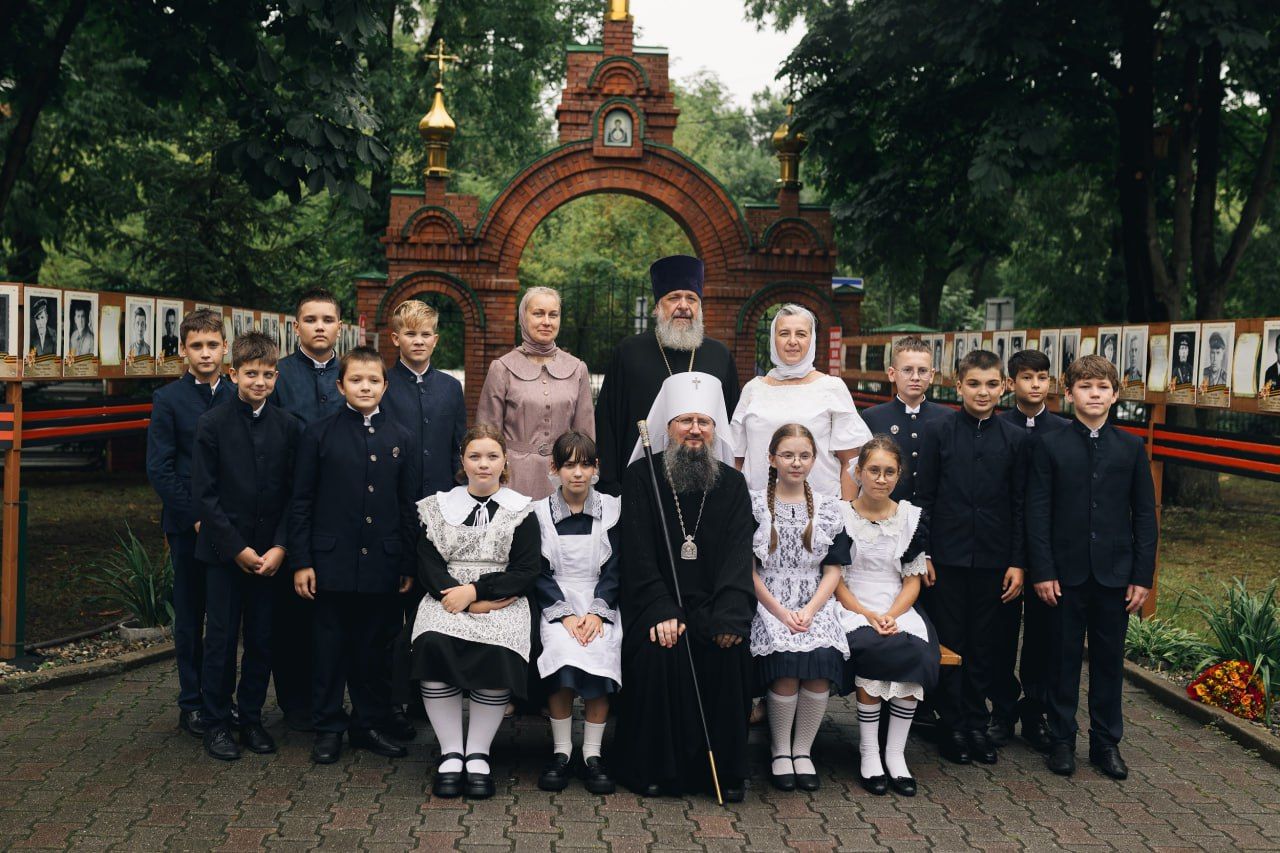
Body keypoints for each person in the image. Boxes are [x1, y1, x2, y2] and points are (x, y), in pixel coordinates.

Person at [613, 371, 755, 802]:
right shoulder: (641, 477)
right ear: (668, 426)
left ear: (715, 429)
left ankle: (724, 772)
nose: (695, 429)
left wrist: (729, 613)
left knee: (730, 651)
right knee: (659, 650)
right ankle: (656, 769)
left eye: (704, 422)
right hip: (658, 601)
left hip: (714, 603)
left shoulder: (733, 484)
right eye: (685, 421)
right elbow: (636, 553)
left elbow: (738, 556)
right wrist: (659, 608)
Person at [1027, 355, 1157, 780]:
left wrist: (1142, 576)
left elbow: (1145, 516)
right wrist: (1043, 570)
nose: (1094, 394)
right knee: (1062, 659)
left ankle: (1106, 743)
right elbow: (1038, 512)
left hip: (1115, 575)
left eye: (1103, 387)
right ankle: (1062, 740)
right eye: (1085, 387)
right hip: (1064, 575)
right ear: (1069, 393)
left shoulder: (1131, 447)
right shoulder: (1050, 445)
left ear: (1115, 395)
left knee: (1109, 661)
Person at [288, 347, 418, 765]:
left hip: (382, 563)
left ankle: (367, 724)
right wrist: (302, 561)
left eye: (374, 380)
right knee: (329, 648)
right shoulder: (318, 434)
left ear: (385, 385)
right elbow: (301, 502)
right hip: (331, 563)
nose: (365, 387)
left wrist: (406, 562)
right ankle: (329, 727)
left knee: (373, 649)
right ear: (340, 385)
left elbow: (407, 506)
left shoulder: (401, 437)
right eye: (356, 380)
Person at [411, 424, 542, 800]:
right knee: (432, 642)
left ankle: (479, 753)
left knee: (498, 651)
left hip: (501, 600)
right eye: (475, 456)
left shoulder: (522, 510)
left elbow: (526, 569)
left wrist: (477, 593)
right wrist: (459, 597)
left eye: (491, 456)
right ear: (463, 462)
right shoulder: (437, 507)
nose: (483, 464)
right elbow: (428, 563)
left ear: (504, 462)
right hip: (445, 598)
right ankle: (452, 751)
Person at [191, 332, 302, 761]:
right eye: (251, 373)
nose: (260, 382)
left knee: (261, 639)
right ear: (233, 373)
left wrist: (281, 547)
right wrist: (236, 547)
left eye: (268, 374)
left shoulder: (288, 426)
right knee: (220, 640)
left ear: (276, 377)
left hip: (270, 556)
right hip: (224, 554)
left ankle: (251, 718)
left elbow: (295, 495)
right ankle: (216, 721)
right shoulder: (212, 424)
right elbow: (205, 495)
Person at [914, 349, 1028, 767]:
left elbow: (1020, 504)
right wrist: (923, 552)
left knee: (986, 644)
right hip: (946, 557)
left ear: (1004, 387)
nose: (983, 392)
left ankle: (978, 724)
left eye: (991, 384)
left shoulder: (1016, 439)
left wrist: (1018, 561)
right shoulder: (938, 432)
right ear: (958, 385)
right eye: (974, 384)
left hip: (995, 560)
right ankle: (952, 725)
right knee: (952, 641)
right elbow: (924, 497)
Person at [381, 298, 467, 738]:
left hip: (439, 513)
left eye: (425, 334)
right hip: (393, 511)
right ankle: (390, 700)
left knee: (429, 608)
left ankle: (424, 694)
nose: (418, 341)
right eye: (410, 334)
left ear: (436, 339)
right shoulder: (384, 383)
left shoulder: (450, 388)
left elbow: (457, 449)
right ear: (395, 338)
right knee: (391, 613)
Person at [145, 309, 233, 738]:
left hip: (231, 526)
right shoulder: (168, 400)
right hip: (188, 526)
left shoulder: (238, 394)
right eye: (196, 346)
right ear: (183, 350)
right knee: (190, 614)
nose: (205, 353)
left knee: (226, 618)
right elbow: (160, 468)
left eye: (212, 345)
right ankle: (191, 702)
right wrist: (196, 517)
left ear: (225, 347)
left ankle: (222, 699)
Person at [749, 424, 850, 793]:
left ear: (814, 460)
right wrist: (779, 612)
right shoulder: (755, 505)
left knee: (820, 664)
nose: (796, 462)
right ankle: (779, 749)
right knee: (788, 668)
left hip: (814, 600)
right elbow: (748, 570)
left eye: (804, 455)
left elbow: (833, 569)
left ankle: (802, 749)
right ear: (772, 459)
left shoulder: (828, 508)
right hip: (769, 600)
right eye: (788, 455)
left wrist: (810, 610)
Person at [837, 437, 939, 797]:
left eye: (889, 472)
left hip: (897, 604)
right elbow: (836, 581)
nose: (881, 479)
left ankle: (895, 753)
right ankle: (869, 752)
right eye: (874, 470)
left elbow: (912, 581)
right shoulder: (841, 516)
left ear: (898, 475)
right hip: (852, 603)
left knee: (917, 651)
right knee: (872, 646)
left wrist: (891, 614)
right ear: (860, 472)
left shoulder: (910, 518)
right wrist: (867, 614)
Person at [595, 255, 741, 494]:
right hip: (640, 486)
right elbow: (607, 422)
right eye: (674, 298)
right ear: (657, 307)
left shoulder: (720, 356)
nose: (683, 306)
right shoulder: (629, 353)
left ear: (699, 307)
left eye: (691, 299)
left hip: (706, 488)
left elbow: (731, 427)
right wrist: (610, 484)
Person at [987, 349, 1069, 754]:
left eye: (1042, 377)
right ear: (1011, 383)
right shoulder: (999, 426)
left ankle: (1036, 710)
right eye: (1026, 377)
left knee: (1043, 635)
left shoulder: (1064, 430)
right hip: (1007, 549)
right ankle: (1002, 709)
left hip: (1049, 551)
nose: (1035, 385)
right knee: (1001, 633)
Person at [270, 288, 344, 731]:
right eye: (311, 320)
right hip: (290, 506)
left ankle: (329, 700)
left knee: (332, 612)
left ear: (339, 326)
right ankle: (294, 704)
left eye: (327, 319)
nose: (319, 327)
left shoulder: (352, 374)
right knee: (292, 612)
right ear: (295, 327)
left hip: (340, 508)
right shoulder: (279, 375)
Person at [532, 431, 622, 795]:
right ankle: (562, 751)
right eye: (569, 465)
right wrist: (565, 615)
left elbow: (615, 568)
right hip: (558, 602)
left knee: (600, 652)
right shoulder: (539, 513)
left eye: (585, 464)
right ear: (554, 468)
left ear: (596, 467)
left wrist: (598, 614)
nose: (578, 473)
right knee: (562, 653)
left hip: (601, 601)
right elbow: (538, 571)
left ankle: (592, 754)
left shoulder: (612, 510)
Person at [730, 304, 870, 499]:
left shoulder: (832, 388)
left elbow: (850, 461)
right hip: (758, 506)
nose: (792, 341)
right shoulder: (753, 389)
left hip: (821, 508)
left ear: (811, 340)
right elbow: (736, 458)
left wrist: (846, 510)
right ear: (773, 339)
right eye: (784, 333)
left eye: (801, 334)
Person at [478, 286, 594, 500]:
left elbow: (585, 436)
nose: (546, 322)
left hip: (562, 478)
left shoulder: (577, 369)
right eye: (538, 313)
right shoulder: (502, 368)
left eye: (553, 315)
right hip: (513, 478)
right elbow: (487, 434)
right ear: (523, 317)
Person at [861, 336, 952, 503]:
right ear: (892, 374)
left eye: (922, 371)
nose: (915, 377)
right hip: (887, 508)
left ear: (932, 375)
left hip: (935, 510)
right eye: (907, 370)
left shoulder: (947, 418)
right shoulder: (872, 417)